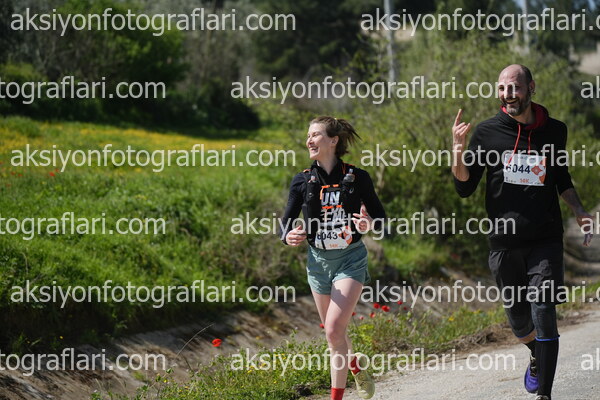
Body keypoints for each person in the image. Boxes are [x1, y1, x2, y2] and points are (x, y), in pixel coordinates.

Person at [452, 64, 594, 400]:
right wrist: (457, 150)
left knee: (544, 310)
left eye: (514, 87)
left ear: (531, 87)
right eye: (502, 89)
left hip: (545, 237)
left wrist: (578, 209)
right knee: (519, 322)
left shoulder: (555, 131)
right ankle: (534, 352)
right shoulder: (487, 132)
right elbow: (465, 187)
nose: (508, 95)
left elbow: (560, 176)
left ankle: (545, 394)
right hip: (504, 241)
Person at [280, 116, 386, 400]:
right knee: (335, 332)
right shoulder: (302, 180)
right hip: (317, 263)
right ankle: (355, 365)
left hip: (350, 259)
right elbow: (285, 223)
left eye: (315, 135)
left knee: (333, 332)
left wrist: (369, 224)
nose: (309, 140)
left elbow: (380, 217)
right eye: (308, 136)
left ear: (333, 140)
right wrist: (288, 236)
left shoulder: (358, 177)